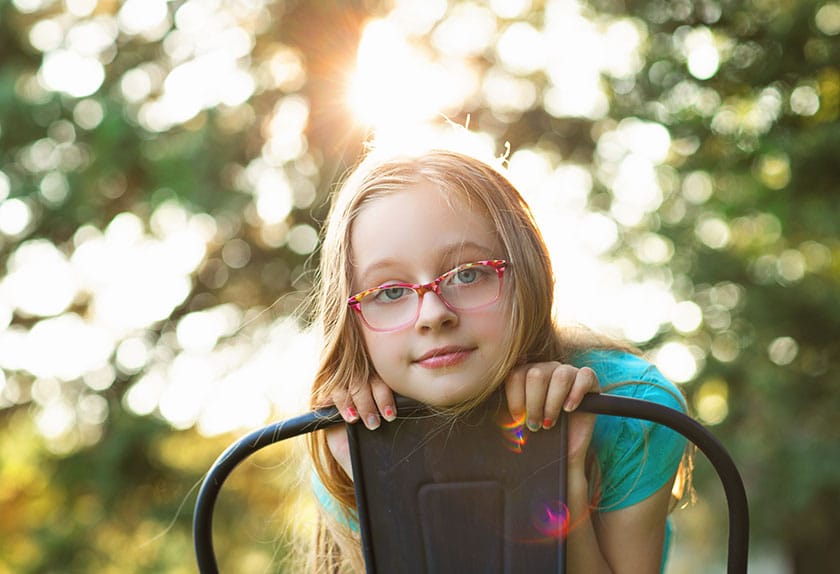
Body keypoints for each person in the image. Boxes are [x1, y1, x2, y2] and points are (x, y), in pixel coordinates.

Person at [306, 148, 689, 573]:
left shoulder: (632, 412)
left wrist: (559, 473)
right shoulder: (350, 434)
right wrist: (383, 484)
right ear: (351, 320)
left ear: (528, 276)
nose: (434, 314)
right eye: (390, 292)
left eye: (468, 273)